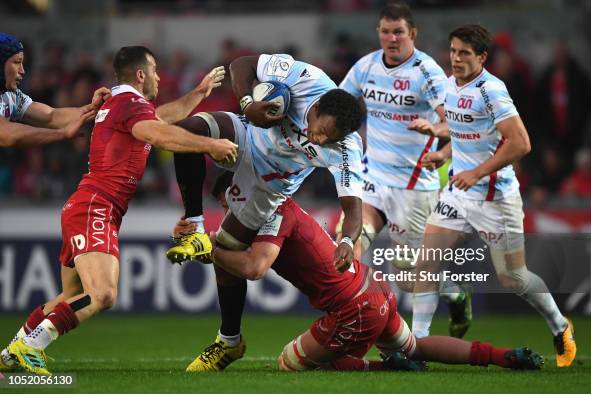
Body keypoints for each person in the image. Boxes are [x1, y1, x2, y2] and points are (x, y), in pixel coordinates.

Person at [1, 46, 238, 375]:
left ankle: (14, 349)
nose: (158, 76)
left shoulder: (124, 104)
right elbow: (159, 133)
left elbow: (161, 118)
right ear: (140, 75)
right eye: (153, 70)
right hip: (95, 207)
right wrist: (211, 144)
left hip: (87, 206)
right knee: (103, 293)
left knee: (72, 296)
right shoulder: (129, 104)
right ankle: (31, 346)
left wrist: (198, 93)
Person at [173, 172, 543, 372]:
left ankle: (385, 369)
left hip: (354, 308)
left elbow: (254, 267)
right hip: (374, 289)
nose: (229, 211)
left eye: (228, 201)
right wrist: (201, 244)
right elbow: (231, 250)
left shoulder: (271, 213)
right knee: (414, 346)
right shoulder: (273, 210)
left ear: (239, 195)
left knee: (289, 361)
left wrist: (211, 249)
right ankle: (503, 356)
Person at [165, 53, 364, 371]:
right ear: (317, 106)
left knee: (229, 254)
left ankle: (229, 342)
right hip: (248, 134)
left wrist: (347, 242)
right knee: (189, 132)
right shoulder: (307, 80)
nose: (319, 138)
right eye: (320, 129)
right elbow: (242, 64)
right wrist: (247, 102)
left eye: (329, 138)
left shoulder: (347, 149)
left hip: (269, 184)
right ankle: (195, 225)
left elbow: (353, 211)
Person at [409, 24, 577, 368]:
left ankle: (560, 326)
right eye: (453, 51)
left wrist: (477, 172)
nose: (455, 58)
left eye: (464, 53)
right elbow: (467, 131)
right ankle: (416, 347)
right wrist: (443, 152)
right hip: (459, 193)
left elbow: (521, 143)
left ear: (482, 57)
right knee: (426, 263)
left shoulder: (493, 90)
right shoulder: (449, 85)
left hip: (496, 198)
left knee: (513, 278)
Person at [337, 2, 470, 337]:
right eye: (385, 31)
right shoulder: (366, 67)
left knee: (408, 276)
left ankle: (455, 293)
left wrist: (436, 130)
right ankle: (354, 324)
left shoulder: (427, 73)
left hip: (413, 188)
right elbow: (337, 105)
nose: (391, 38)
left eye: (398, 32)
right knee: (348, 240)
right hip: (372, 179)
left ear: (412, 34)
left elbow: (453, 121)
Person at [0, 32, 108, 147]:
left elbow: (51, 116)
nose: (22, 71)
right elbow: (7, 134)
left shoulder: (11, 96)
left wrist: (95, 108)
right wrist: (62, 133)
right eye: (16, 63)